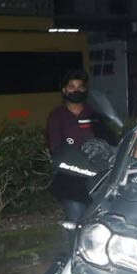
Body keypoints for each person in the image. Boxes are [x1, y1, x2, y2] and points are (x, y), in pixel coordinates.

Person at [47, 70, 97, 222]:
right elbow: (55, 148)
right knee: (76, 220)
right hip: (70, 178)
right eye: (71, 86)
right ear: (64, 90)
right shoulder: (57, 116)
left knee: (95, 223)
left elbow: (108, 142)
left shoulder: (94, 114)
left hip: (96, 178)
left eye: (80, 87)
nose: (76, 90)